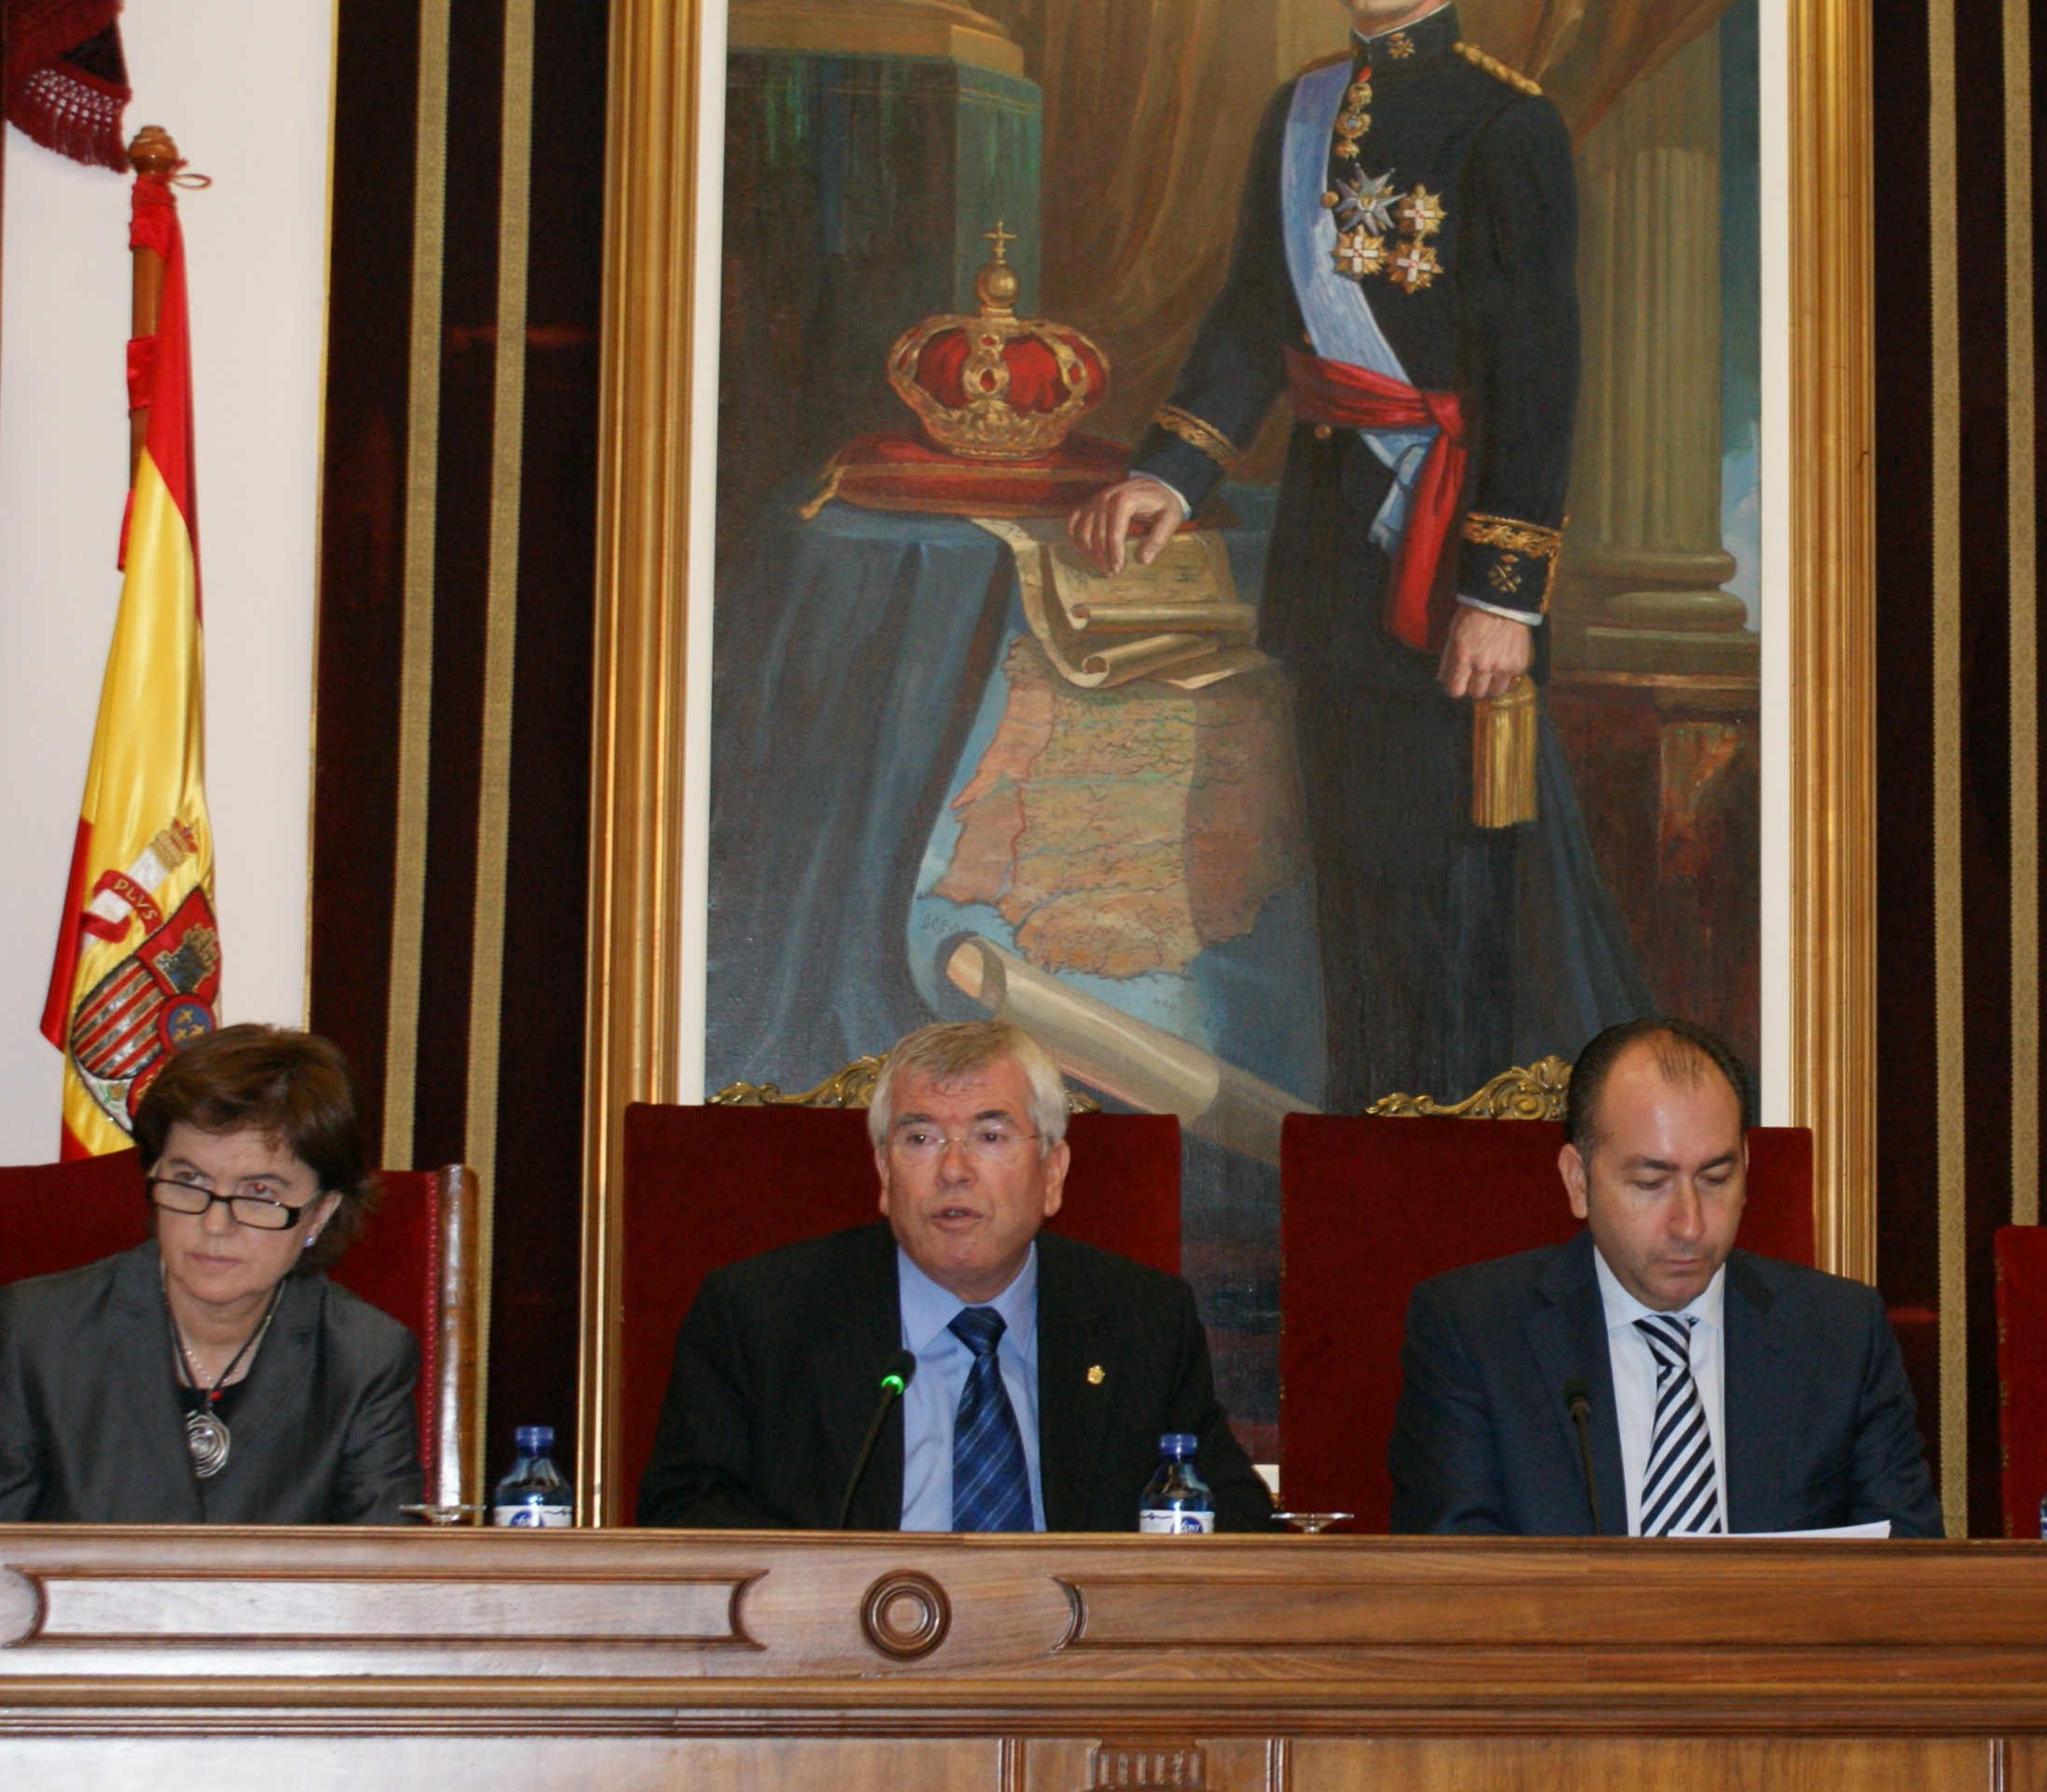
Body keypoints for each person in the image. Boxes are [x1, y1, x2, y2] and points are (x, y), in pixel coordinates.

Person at [1071, 0, 1647, 1113]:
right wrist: (1169, 475)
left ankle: (1445, 1158)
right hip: (1331, 568)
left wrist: (1502, 595)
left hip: (1450, 575)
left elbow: (1538, 372)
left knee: (1447, 904)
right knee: (1355, 897)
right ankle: (1362, 1154)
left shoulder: (1507, 123)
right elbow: (1254, 316)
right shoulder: (1299, 113)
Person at [639, 1019, 1273, 1531]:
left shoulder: (1142, 1320)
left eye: (990, 1135)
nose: (953, 1170)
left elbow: (1232, 1517)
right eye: (920, 1139)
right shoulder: (759, 1315)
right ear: (884, 1175)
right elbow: (686, 1516)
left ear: (1052, 1174)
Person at [1389, 1018, 1943, 1537]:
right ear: (1578, 1181)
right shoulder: (1475, 1335)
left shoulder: (1842, 1334)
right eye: (1651, 1184)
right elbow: (1450, 1580)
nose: (1690, 1225)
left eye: (1715, 1178)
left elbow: (1909, 1571)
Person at [0, 1026, 419, 1524]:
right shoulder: (36, 1335)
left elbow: (383, 1562)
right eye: (189, 1180)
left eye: (259, 1192)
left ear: (319, 1213)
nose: (215, 1224)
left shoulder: (365, 1360)